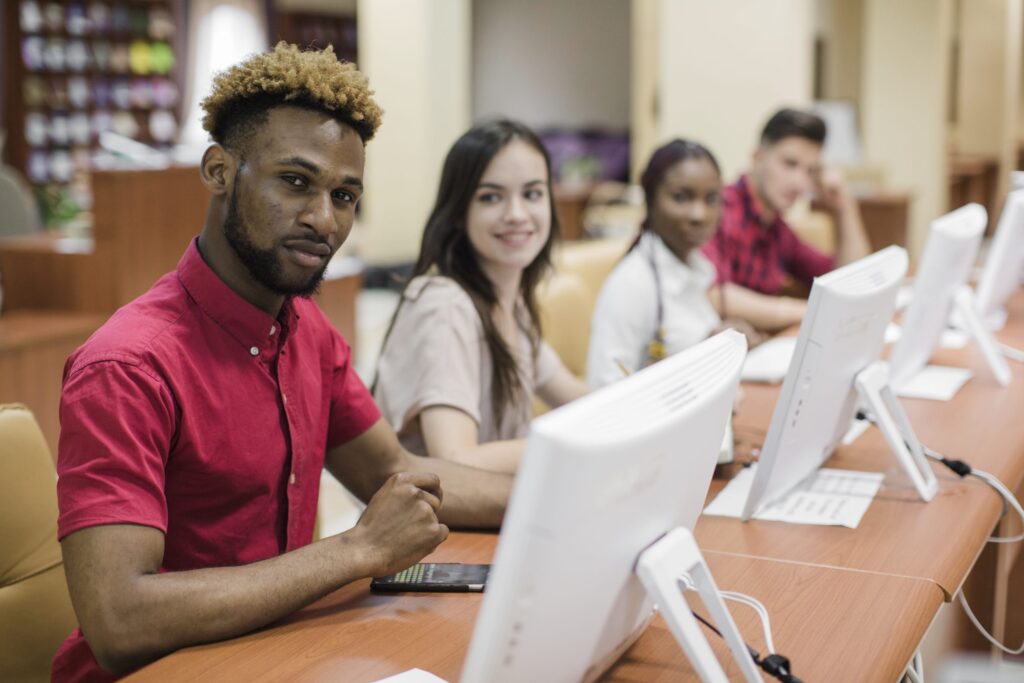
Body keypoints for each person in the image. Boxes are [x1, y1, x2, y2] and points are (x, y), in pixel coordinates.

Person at [53, 43, 512, 683]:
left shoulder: (306, 331)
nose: (323, 220)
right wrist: (356, 550)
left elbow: (396, 472)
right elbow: (119, 621)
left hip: (280, 652)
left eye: (345, 195)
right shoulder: (126, 366)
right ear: (218, 170)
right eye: (295, 182)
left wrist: (565, 502)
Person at [373, 120, 588, 474]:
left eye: (532, 194)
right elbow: (455, 461)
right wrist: (570, 439)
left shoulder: (510, 301)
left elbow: (574, 396)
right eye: (491, 197)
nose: (517, 215)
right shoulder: (444, 305)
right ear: (458, 212)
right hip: (439, 524)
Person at [702, 108, 871, 331]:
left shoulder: (778, 230)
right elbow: (714, 294)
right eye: (790, 164)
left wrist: (845, 206)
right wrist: (807, 311)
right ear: (757, 158)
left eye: (811, 171)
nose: (799, 183)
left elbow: (850, 279)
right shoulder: (718, 209)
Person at [587, 139, 732, 388]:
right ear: (650, 199)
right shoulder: (631, 284)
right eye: (681, 197)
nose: (699, 214)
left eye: (711, 199)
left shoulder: (696, 267)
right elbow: (604, 390)